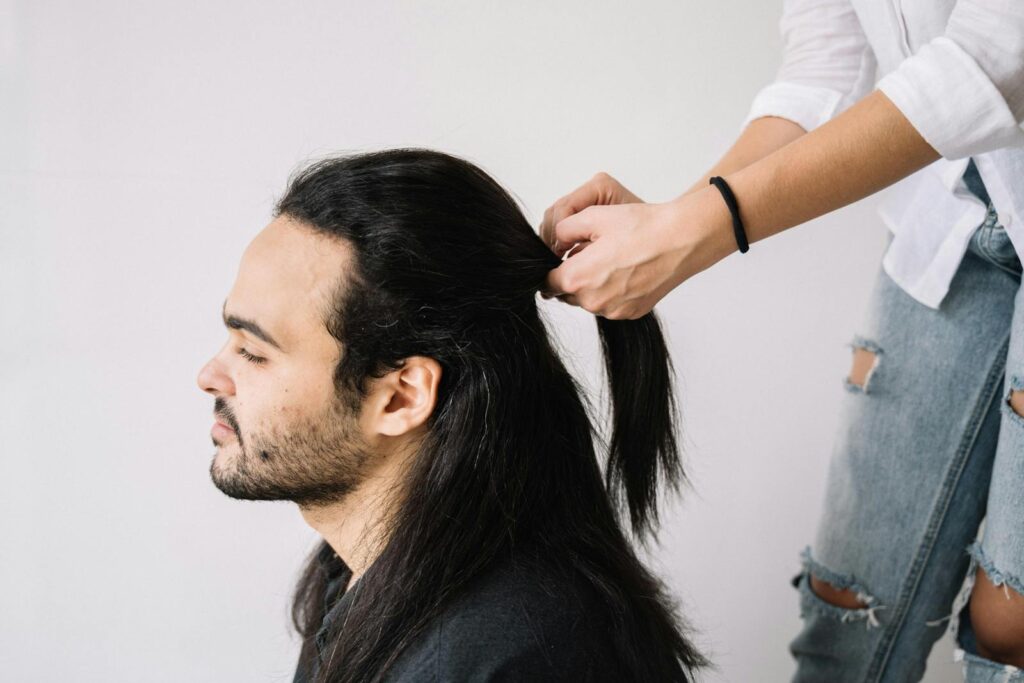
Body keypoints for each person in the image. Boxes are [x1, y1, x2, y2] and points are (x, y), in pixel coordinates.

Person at [538, 0, 1024, 681]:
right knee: (847, 606)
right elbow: (830, 61)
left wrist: (695, 229)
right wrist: (672, 222)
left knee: (1011, 625)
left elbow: (1001, 53)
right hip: (946, 217)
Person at [196, 148, 708, 682]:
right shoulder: (364, 575)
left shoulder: (501, 657)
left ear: (401, 396)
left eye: (252, 351)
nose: (209, 375)